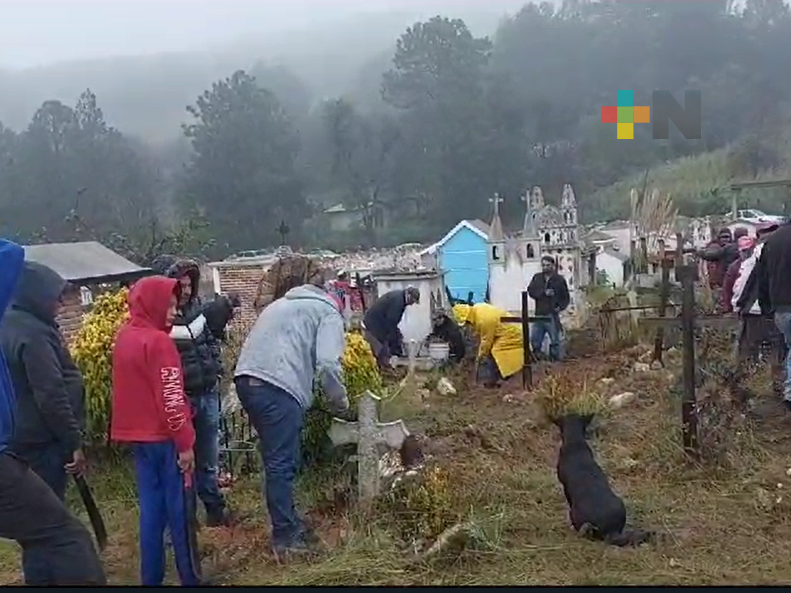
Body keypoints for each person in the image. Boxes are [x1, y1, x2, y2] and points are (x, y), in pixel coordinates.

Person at [0, 239, 106, 586]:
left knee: (39, 530)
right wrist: (72, 441)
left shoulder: (12, 325)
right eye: (55, 297)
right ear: (35, 295)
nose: (61, 305)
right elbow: (50, 392)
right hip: (42, 441)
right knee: (59, 532)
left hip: (17, 441)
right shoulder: (32, 332)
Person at [234, 282, 350, 560]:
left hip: (247, 381)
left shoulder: (283, 304)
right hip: (278, 386)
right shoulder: (329, 312)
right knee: (281, 463)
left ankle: (289, 522)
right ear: (340, 303)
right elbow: (328, 364)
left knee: (279, 459)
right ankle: (285, 537)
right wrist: (340, 401)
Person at [111, 275, 202, 586]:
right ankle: (190, 576)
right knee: (180, 511)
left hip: (138, 437)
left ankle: (151, 578)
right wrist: (185, 443)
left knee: (151, 511)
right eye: (169, 305)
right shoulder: (159, 342)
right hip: (165, 438)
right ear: (153, 303)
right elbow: (172, 397)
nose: (173, 312)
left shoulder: (125, 337)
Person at [165, 260, 235, 527]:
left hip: (207, 393)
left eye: (188, 284)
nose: (184, 290)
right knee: (184, 463)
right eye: (179, 285)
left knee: (208, 459)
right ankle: (185, 520)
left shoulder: (197, 311)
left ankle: (215, 511)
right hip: (184, 399)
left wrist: (216, 369)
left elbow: (209, 343)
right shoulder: (164, 319)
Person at [757, 219, 791, 411]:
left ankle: (787, 389)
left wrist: (766, 307)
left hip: (781, 307)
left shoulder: (772, 241)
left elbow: (761, 277)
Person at [464, 303, 523, 388]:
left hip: (511, 332)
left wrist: (480, 354)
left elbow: (486, 340)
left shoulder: (483, 319)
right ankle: (496, 378)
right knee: (492, 352)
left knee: (495, 351)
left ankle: (501, 377)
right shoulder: (477, 309)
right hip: (506, 330)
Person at [362, 287, 420, 368]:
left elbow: (393, 323)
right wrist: (394, 343)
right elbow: (391, 322)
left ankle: (384, 367)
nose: (412, 304)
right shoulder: (398, 301)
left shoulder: (400, 297)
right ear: (409, 296)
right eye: (413, 301)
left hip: (379, 322)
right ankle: (383, 369)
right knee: (382, 349)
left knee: (389, 342)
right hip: (374, 324)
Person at [527, 255, 570, 361]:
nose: (545, 267)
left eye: (548, 265)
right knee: (535, 339)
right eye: (543, 265)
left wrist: (560, 307)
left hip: (551, 314)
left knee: (555, 339)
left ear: (553, 266)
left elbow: (565, 297)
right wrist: (543, 293)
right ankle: (538, 359)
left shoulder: (559, 280)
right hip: (539, 313)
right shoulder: (537, 278)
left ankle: (554, 361)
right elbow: (531, 291)